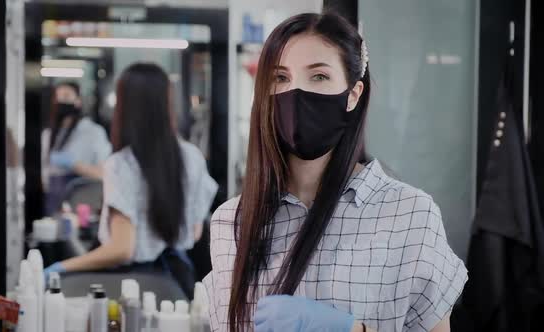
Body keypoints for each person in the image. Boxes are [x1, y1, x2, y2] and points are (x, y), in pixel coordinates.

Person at [203, 12, 468, 332]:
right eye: (280, 78)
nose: (296, 92)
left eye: (318, 77)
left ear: (353, 95)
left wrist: (351, 330)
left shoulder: (409, 215)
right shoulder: (232, 221)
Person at [44, 63, 218, 296]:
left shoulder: (122, 165)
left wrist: (61, 268)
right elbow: (195, 231)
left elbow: (122, 249)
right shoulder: (193, 157)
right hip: (177, 284)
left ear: (125, 106)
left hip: (130, 286)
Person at [42, 82, 111, 214]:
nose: (61, 101)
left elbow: (104, 174)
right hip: (50, 202)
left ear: (78, 101)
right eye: (57, 97)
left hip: (81, 203)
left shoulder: (93, 132)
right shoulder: (47, 134)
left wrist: (74, 165)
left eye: (66, 96)